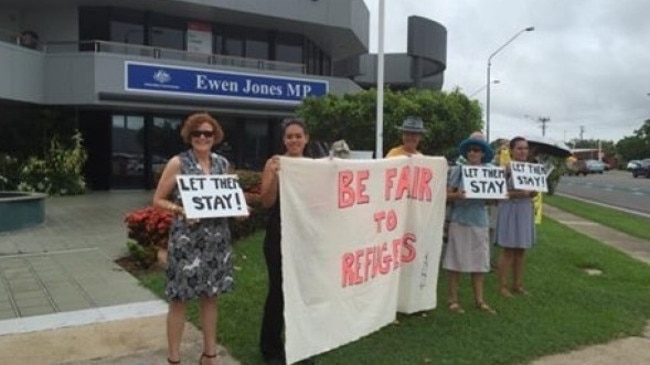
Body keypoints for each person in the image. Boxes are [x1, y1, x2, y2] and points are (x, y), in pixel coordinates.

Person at [153, 112, 233, 365]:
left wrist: (239, 211)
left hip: (216, 241)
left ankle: (209, 354)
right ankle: (174, 358)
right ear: (189, 136)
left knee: (211, 297)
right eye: (197, 133)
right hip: (186, 240)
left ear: (215, 136)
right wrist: (180, 210)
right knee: (179, 298)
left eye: (207, 133)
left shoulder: (222, 164)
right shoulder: (178, 163)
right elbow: (157, 200)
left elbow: (227, 199)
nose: (202, 137)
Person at [259, 118, 315, 365]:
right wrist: (274, 177)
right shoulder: (274, 163)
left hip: (306, 236)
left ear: (306, 138)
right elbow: (266, 201)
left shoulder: (314, 167)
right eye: (289, 136)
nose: (294, 140)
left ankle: (301, 344)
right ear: (284, 140)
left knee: (304, 293)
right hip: (278, 235)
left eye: (298, 136)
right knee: (279, 292)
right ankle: (271, 348)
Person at [443, 135, 497, 314]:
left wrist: (494, 198)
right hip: (460, 220)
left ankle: (480, 300)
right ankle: (452, 300)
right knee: (455, 262)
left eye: (477, 150)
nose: (472, 153)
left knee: (479, 263)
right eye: (470, 150)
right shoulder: (458, 170)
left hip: (480, 220)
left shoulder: (490, 171)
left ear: (483, 154)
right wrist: (457, 196)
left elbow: (494, 200)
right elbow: (446, 196)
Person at [495, 136, 537, 298]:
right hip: (510, 209)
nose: (523, 151)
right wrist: (520, 193)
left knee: (521, 250)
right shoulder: (506, 169)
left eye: (525, 148)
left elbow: (534, 192)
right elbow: (499, 193)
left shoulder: (531, 169)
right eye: (519, 148)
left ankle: (518, 285)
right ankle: (503, 286)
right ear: (512, 150)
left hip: (525, 210)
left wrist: (533, 193)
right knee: (508, 250)